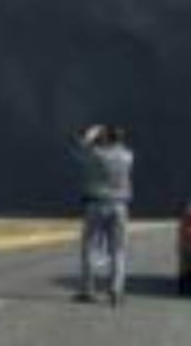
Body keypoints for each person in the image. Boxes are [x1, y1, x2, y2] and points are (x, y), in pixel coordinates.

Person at [72, 124, 133, 307]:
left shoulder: (96, 155)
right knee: (118, 250)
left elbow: (82, 144)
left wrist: (93, 134)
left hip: (95, 204)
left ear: (106, 139)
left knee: (90, 248)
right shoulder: (128, 156)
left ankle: (88, 290)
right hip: (120, 206)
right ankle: (116, 290)